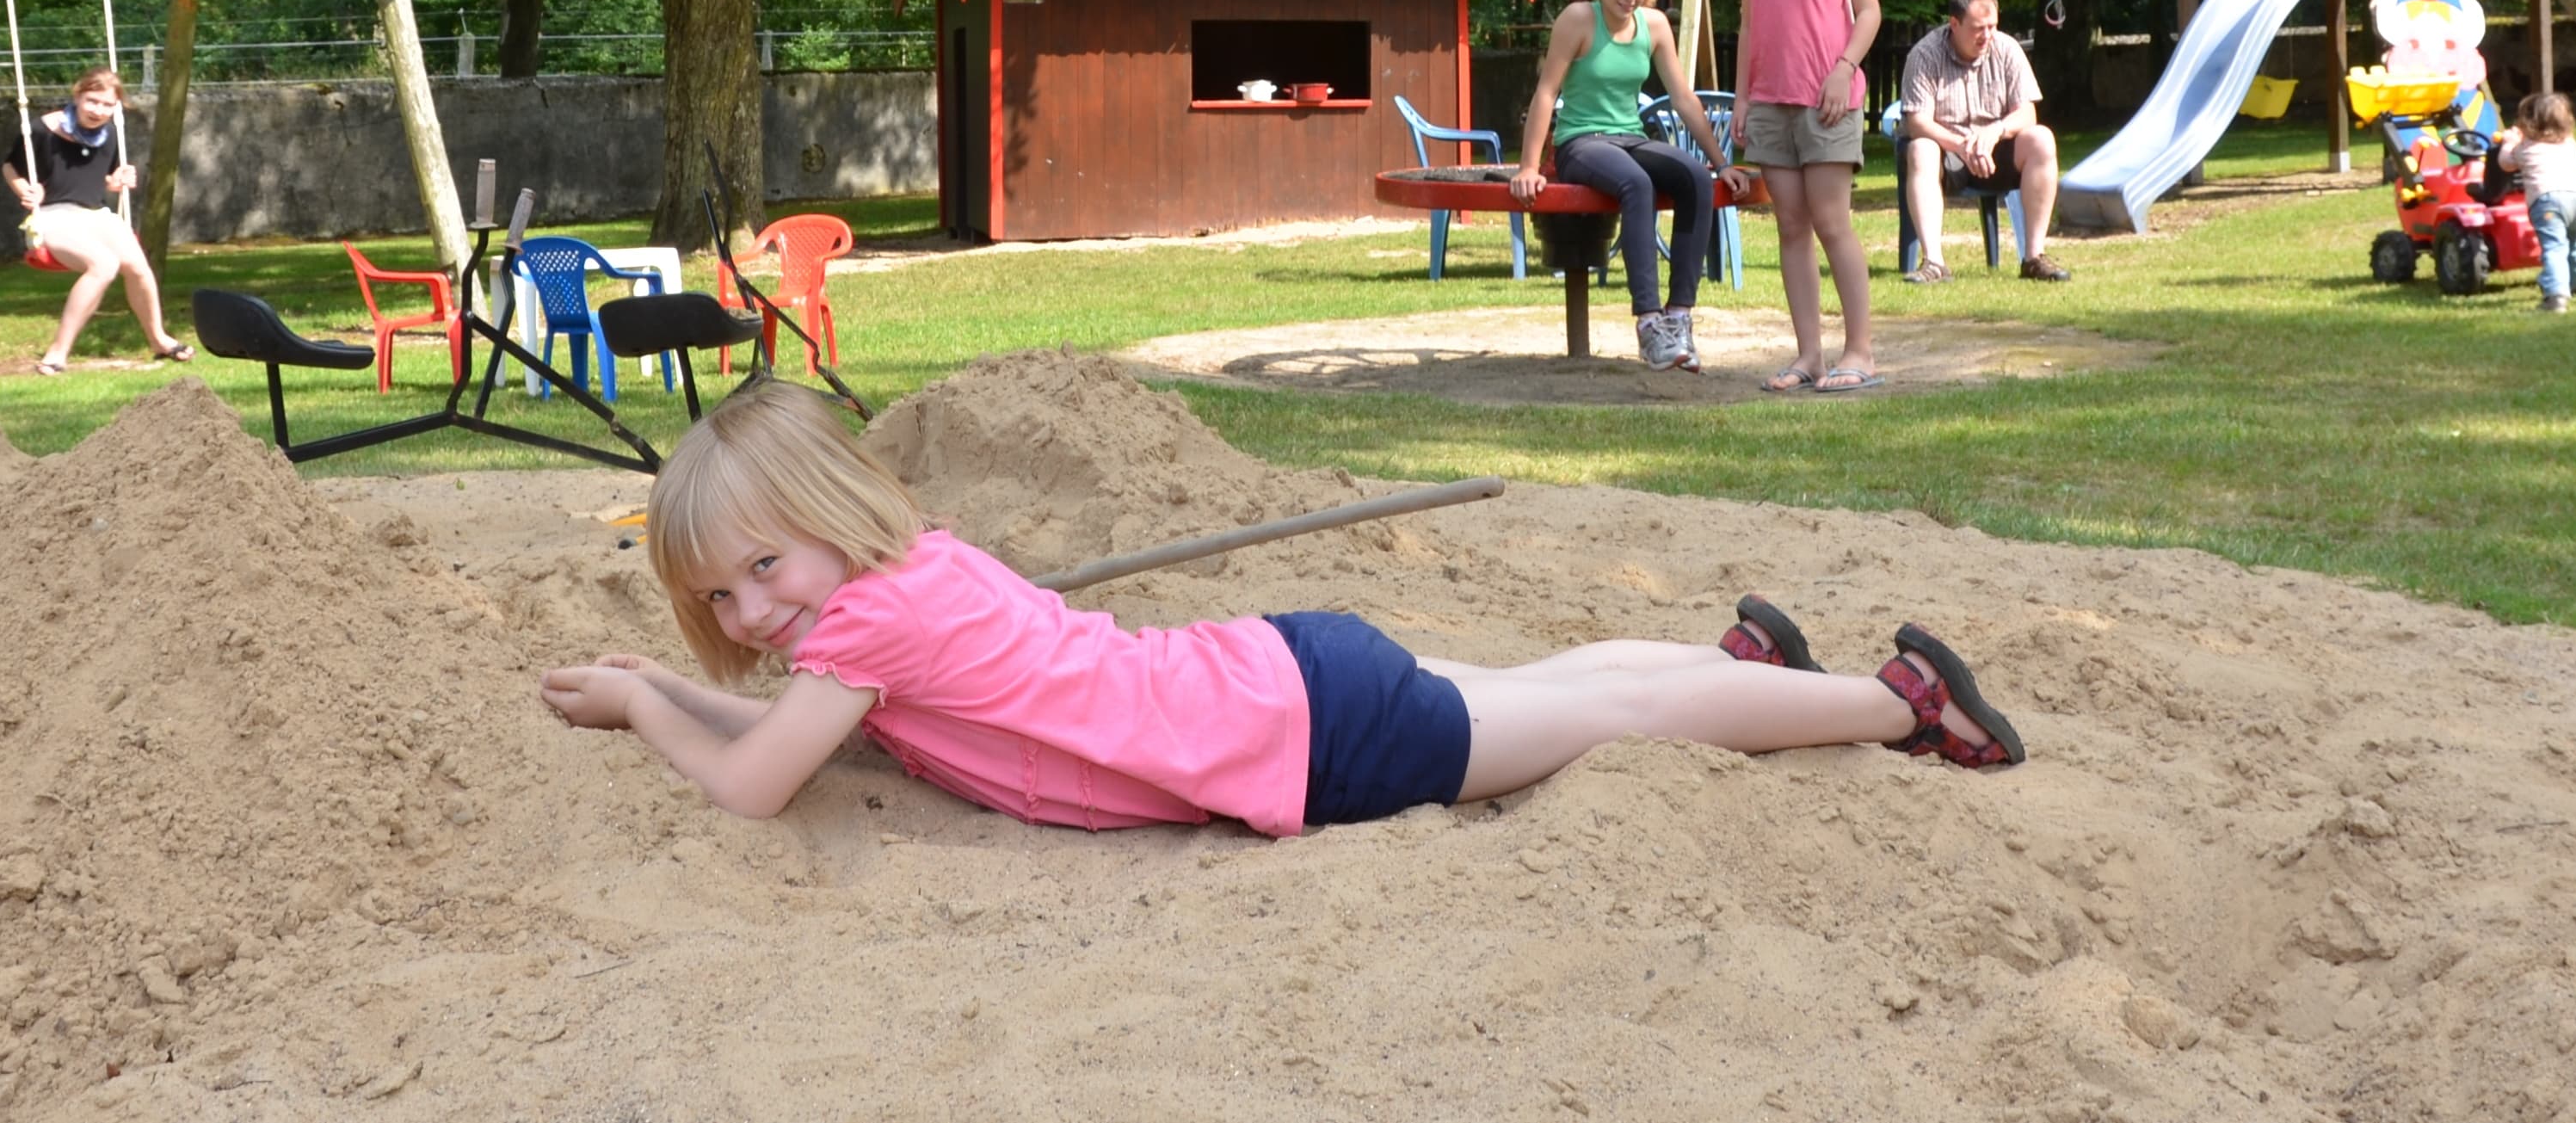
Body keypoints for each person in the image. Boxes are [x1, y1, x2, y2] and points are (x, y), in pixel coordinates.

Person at [538, 382, 2026, 833]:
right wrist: (679, 689)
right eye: (715, 597)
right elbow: (800, 734)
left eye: (765, 568)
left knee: (1607, 715)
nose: (746, 614)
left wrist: (644, 702)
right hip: (1277, 675)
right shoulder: (906, 574)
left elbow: (751, 783)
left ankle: (1890, 705)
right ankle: (1745, 664)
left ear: (832, 527)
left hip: (1298, 732)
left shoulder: (857, 630)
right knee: (1563, 682)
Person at [1509, 0, 1738, 371]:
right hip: (1582, 141)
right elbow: (1545, 92)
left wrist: (1722, 163)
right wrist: (1528, 166)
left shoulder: (1653, 25)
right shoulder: (1579, 19)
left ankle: (1679, 317)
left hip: (1630, 136)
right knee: (1637, 183)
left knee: (1693, 176)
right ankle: (1649, 324)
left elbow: (1683, 98)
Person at [1731, 0, 1885, 393]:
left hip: (1828, 99)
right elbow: (1749, 25)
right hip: (1769, 101)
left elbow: (1869, 11)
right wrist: (1742, 96)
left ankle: (1859, 351)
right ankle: (1808, 355)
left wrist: (1844, 68)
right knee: (1790, 227)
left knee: (1830, 222)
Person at [0, 68, 192, 374]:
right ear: (77, 96)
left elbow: (103, 179)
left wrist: (117, 181)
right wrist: (27, 192)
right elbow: (10, 168)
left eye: (107, 104)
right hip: (53, 215)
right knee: (103, 265)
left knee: (139, 267)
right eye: (92, 101)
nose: (98, 111)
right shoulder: (42, 129)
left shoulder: (111, 133)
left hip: (96, 214)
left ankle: (159, 340)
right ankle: (58, 353)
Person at [1895, 0, 2069, 284]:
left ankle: (2033, 258)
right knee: (1921, 148)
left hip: (1995, 150)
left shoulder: (2006, 48)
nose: (1987, 35)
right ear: (1954, 24)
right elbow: (1917, 123)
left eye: (1992, 27)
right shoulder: (1924, 55)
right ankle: (1934, 263)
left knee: (2041, 138)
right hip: (1946, 152)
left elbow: (2027, 113)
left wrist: (1995, 131)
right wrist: (1963, 146)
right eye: (1978, 28)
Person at [2477, 90, 2576, 313]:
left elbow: (2505, 164)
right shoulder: (2570, 143)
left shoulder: (2526, 148)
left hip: (2549, 201)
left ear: (2528, 123)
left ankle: (2556, 296)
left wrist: (2509, 142)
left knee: (2554, 247)